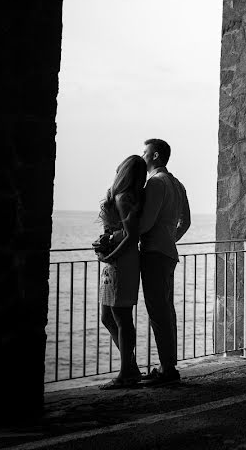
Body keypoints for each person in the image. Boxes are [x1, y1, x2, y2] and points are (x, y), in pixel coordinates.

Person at [139, 138, 191, 385]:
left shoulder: (155, 184)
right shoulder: (177, 184)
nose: (143, 156)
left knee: (158, 312)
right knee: (167, 311)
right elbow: (186, 222)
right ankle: (168, 365)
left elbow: (146, 224)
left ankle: (167, 370)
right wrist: (170, 239)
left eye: (145, 152)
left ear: (156, 156)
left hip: (154, 254)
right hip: (168, 253)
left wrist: (124, 235)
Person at [95, 155, 147, 389]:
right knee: (108, 317)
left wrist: (110, 255)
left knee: (122, 318)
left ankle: (126, 372)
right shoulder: (125, 197)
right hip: (117, 261)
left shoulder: (124, 197)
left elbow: (132, 236)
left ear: (123, 172)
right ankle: (131, 366)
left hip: (122, 262)